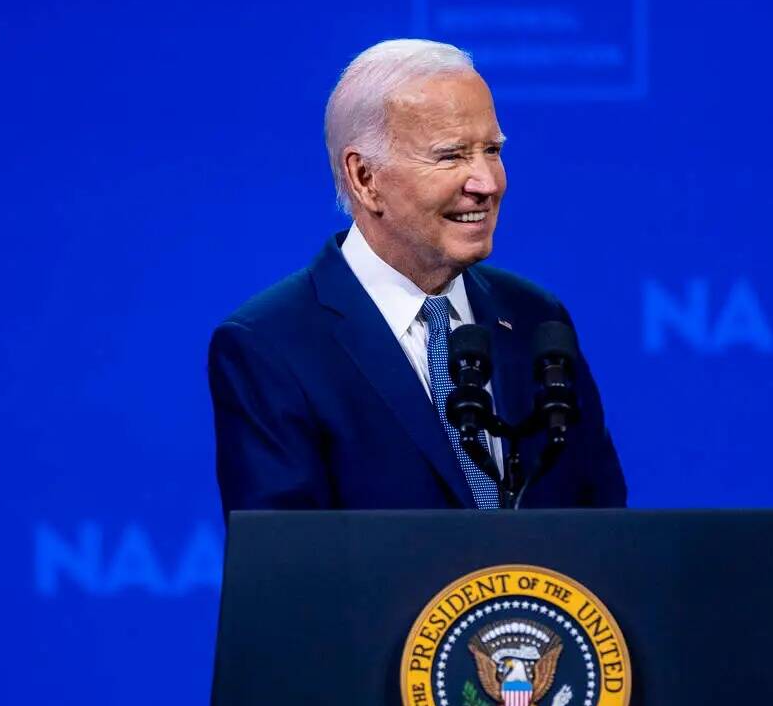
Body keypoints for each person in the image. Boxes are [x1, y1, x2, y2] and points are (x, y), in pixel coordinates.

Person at [208, 39, 625, 515]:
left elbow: (604, 530)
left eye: (492, 150)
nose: (487, 183)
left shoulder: (536, 319)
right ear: (365, 178)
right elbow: (286, 569)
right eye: (451, 156)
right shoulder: (271, 345)